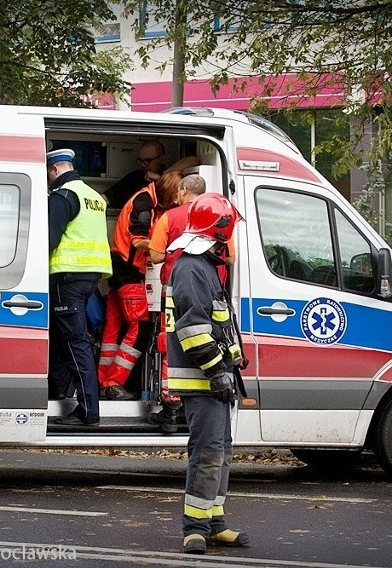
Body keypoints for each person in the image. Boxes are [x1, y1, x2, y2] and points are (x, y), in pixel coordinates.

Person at [165, 193, 249, 554]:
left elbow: (216, 326)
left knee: (221, 451)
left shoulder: (203, 267)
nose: (229, 243)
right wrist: (217, 371)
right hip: (202, 381)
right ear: (217, 232)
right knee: (207, 453)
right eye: (227, 235)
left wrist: (234, 358)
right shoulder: (192, 269)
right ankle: (195, 528)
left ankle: (214, 521)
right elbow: (193, 329)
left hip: (214, 379)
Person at [145, 175, 237, 431]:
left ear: (184, 191)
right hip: (213, 290)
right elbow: (230, 259)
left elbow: (155, 255)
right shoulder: (221, 216)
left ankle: (171, 407)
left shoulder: (169, 217)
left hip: (175, 292)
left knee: (170, 345)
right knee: (205, 338)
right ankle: (191, 408)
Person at [98, 170, 183, 400]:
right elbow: (138, 241)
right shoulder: (144, 203)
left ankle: (103, 382)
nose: (177, 201)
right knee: (140, 328)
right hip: (129, 272)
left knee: (112, 331)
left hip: (119, 269)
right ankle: (113, 383)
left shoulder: (150, 199)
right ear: (168, 191)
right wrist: (164, 249)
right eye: (176, 195)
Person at [46, 149, 113, 426]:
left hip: (68, 278)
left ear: (54, 170)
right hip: (89, 279)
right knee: (66, 341)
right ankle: (57, 392)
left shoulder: (64, 196)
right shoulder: (93, 196)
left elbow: (48, 238)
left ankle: (88, 411)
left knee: (75, 344)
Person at [104, 140, 200, 209]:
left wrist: (162, 177)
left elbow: (194, 160)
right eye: (141, 161)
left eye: (147, 161)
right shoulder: (134, 178)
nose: (142, 165)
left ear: (162, 159)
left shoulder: (172, 178)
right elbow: (106, 199)